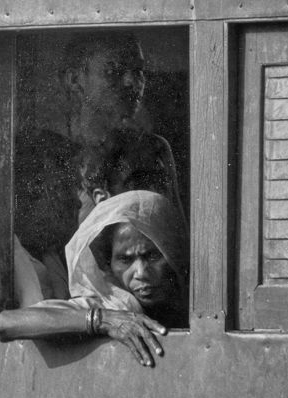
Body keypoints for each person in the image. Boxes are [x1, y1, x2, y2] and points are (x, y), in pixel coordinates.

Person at [13, 32, 182, 305]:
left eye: (138, 71)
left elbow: (174, 252)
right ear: (74, 81)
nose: (131, 82)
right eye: (114, 71)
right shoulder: (36, 153)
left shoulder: (152, 152)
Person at [0, 190, 187, 368]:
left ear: (171, 253)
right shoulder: (109, 305)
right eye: (125, 260)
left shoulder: (188, 301)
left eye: (152, 256)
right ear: (108, 266)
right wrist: (102, 320)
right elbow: (5, 323)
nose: (141, 273)